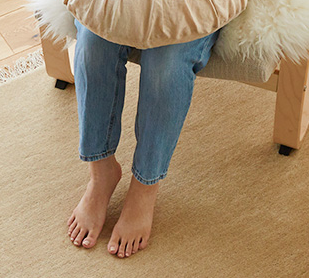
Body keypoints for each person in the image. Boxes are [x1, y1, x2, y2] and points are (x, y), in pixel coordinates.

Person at [67, 20, 220, 258]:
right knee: (93, 41)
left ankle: (144, 187)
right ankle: (101, 173)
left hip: (195, 2)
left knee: (166, 64)